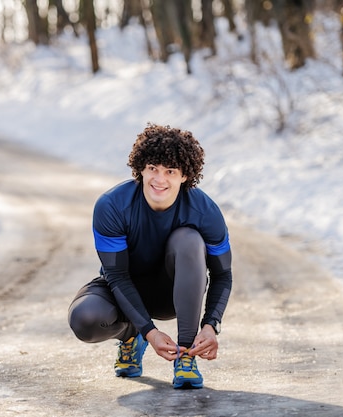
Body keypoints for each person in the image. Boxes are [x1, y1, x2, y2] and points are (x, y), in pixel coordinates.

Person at [67, 123, 232, 389]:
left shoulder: (205, 212)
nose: (159, 179)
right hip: (124, 292)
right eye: (153, 168)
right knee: (84, 319)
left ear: (185, 176)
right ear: (140, 168)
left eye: (170, 171)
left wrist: (211, 324)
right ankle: (132, 336)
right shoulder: (112, 205)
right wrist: (149, 331)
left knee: (189, 239)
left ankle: (186, 355)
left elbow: (223, 274)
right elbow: (117, 275)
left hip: (174, 294)